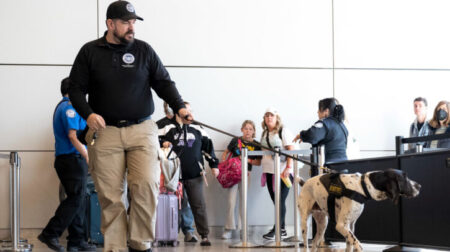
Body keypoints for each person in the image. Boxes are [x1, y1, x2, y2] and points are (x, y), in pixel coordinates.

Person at [68, 1, 191, 251]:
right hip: (105, 132)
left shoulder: (144, 51)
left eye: (133, 22)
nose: (131, 27)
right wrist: (88, 114)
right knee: (111, 196)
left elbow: (163, 82)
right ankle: (115, 246)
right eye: (125, 22)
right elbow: (75, 89)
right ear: (110, 24)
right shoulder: (89, 52)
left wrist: (180, 106)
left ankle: (140, 243)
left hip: (142, 129)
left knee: (146, 186)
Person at [38, 78, 96, 252]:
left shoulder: (68, 106)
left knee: (78, 199)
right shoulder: (68, 108)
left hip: (72, 159)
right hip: (71, 159)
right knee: (76, 198)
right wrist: (87, 155)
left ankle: (77, 241)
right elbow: (72, 135)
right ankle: (50, 232)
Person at [159, 102, 219, 246]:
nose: (189, 114)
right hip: (173, 176)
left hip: (195, 175)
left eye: (191, 111)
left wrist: (214, 165)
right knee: (173, 207)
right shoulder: (167, 127)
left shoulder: (199, 129)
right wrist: (164, 142)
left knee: (198, 205)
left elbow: (208, 149)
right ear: (179, 112)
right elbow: (154, 140)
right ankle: (170, 236)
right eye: (186, 111)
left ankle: (204, 235)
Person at [156, 102, 198, 243]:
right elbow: (152, 140)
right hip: (166, 171)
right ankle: (165, 232)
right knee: (165, 200)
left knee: (184, 201)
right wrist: (163, 143)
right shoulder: (161, 124)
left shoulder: (190, 127)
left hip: (185, 171)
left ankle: (188, 231)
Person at [220, 120, 262, 239]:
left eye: (250, 129)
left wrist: (247, 160)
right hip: (233, 174)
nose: (248, 131)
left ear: (253, 131)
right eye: (246, 128)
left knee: (243, 202)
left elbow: (258, 163)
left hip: (246, 174)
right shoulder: (235, 140)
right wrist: (225, 163)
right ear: (242, 129)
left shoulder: (257, 144)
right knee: (230, 201)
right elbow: (225, 153)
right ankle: (228, 228)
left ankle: (242, 229)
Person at [260, 107, 295, 240]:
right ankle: (283, 229)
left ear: (276, 118)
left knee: (280, 200)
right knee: (276, 201)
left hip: (283, 172)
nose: (269, 117)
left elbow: (290, 150)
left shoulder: (283, 131)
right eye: (267, 115)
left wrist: (288, 167)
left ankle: (277, 229)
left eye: (272, 115)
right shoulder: (264, 133)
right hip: (269, 171)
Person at [294, 98, 348, 163]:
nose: (317, 112)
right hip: (344, 163)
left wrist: (301, 135)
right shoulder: (342, 125)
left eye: (319, 109)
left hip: (329, 166)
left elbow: (312, 135)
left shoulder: (325, 123)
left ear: (326, 111)